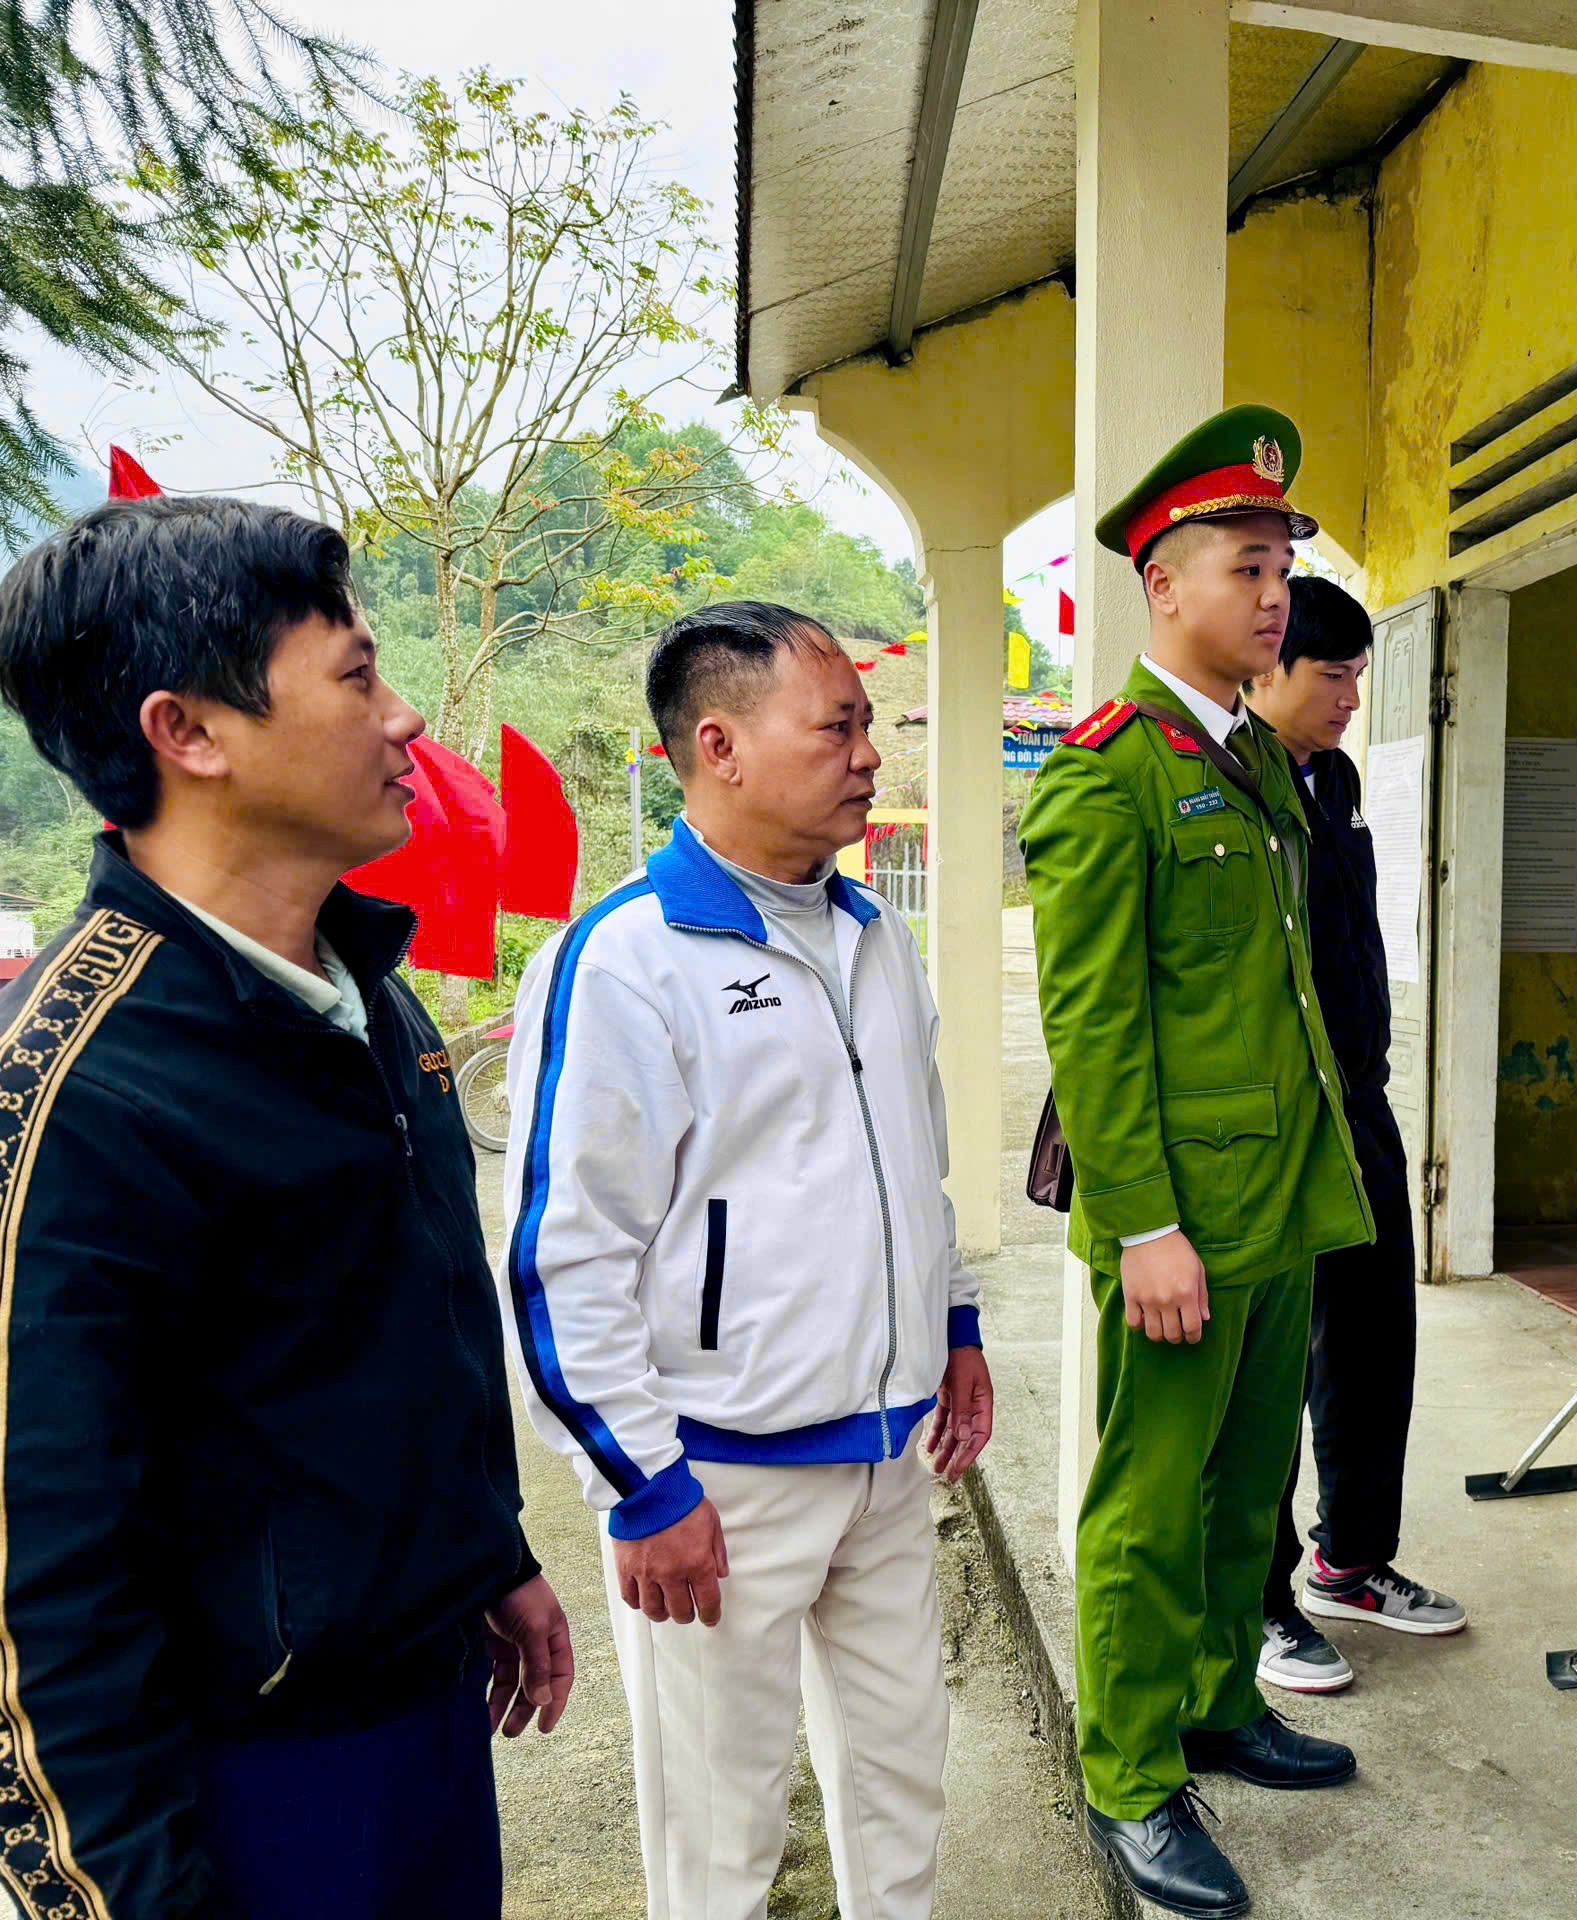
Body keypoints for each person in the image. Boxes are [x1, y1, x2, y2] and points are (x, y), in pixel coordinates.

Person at [0, 495, 571, 1918]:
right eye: (359, 675)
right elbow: (36, 1592)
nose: (405, 716)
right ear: (187, 732)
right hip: (242, 1782)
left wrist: (483, 1550)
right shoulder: (77, 1092)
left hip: (426, 1714)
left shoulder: (357, 990)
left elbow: (387, 1324)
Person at [500, 601, 992, 1920]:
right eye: (836, 725)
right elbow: (565, 1254)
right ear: (717, 743)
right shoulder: (624, 962)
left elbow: (916, 1162)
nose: (869, 754)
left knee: (902, 1782)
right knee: (721, 1833)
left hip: (888, 1458)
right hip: (719, 1475)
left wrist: (954, 1325)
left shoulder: (874, 939)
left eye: (867, 726)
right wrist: (642, 1484)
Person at [1019, 404, 1374, 1920]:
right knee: (1150, 1505)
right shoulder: (1111, 774)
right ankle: (1132, 1774)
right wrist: (1144, 1221)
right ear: (1163, 585)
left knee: (1247, 1491)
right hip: (1183, 1223)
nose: (1274, 590)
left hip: (1278, 1198)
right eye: (1247, 563)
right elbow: (1094, 1031)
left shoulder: (1248, 756)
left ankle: (1222, 1701)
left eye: (1283, 562)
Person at [1245, 574, 1465, 1695]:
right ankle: (1263, 1596)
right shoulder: (1234, 785)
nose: (1346, 698)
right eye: (1330, 676)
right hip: (1277, 1115)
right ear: (1271, 668)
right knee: (1276, 1355)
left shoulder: (1332, 779)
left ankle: (1351, 1559)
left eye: (1355, 677)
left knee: (1375, 1334)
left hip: (1360, 1103)